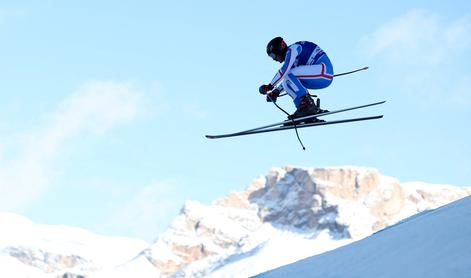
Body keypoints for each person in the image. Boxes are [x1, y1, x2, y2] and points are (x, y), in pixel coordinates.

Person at [259, 37, 334, 120]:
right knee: (286, 82)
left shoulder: (292, 49)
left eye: (273, 55)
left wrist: (270, 86)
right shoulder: (293, 59)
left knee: (288, 74)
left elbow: (285, 69)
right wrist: (276, 92)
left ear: (280, 48)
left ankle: (308, 106)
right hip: (319, 76)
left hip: (324, 72)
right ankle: (303, 110)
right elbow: (289, 78)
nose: (274, 59)